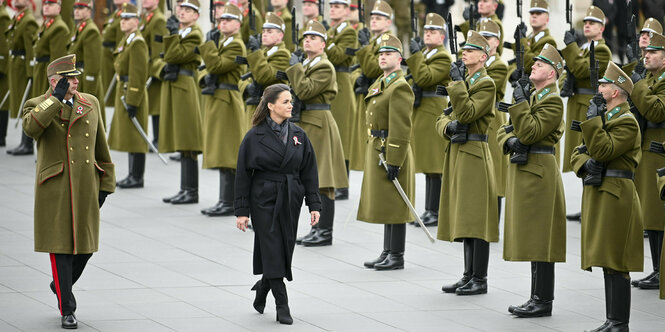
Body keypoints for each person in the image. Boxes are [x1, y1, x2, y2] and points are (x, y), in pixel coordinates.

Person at [21, 54, 116, 329]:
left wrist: (107, 183)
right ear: (54, 81)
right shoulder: (37, 104)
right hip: (57, 186)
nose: (75, 82)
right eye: (69, 78)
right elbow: (31, 129)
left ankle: (60, 285)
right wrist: (55, 100)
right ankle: (67, 308)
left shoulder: (91, 102)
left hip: (86, 184)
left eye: (75, 77)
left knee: (86, 248)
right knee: (61, 248)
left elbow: (102, 145)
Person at [235, 83, 321, 325]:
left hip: (290, 198)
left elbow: (309, 173)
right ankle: (282, 305)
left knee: (283, 248)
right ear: (270, 105)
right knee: (272, 249)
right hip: (263, 199)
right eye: (285, 101)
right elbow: (242, 174)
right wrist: (242, 211)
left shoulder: (299, 135)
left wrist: (314, 205)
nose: (290, 105)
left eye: (291, 101)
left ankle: (263, 287)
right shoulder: (254, 136)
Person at [570, 61, 643, 332]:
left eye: (603, 85)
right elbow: (578, 152)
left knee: (616, 260)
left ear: (616, 92)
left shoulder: (627, 122)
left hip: (615, 195)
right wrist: (585, 164)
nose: (598, 88)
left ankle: (619, 323)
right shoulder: (607, 118)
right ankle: (611, 320)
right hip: (599, 191)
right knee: (605, 259)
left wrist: (592, 123)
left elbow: (601, 150)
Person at [497, 43, 566, 318]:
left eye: (540, 64)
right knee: (535, 238)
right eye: (534, 62)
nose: (533, 66)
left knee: (542, 239)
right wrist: (510, 139)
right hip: (527, 169)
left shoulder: (552, 100)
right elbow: (506, 130)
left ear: (551, 74)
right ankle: (535, 296)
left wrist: (521, 104)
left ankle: (543, 300)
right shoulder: (536, 97)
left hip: (540, 171)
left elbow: (529, 131)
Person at [437, 30, 498, 296]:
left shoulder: (485, 83)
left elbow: (468, 112)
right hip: (459, 150)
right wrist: (449, 127)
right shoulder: (467, 80)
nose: (464, 52)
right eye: (464, 49)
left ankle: (480, 278)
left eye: (471, 50)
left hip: (474, 151)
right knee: (464, 215)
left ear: (483, 57)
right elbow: (444, 116)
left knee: (476, 218)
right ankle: (467, 274)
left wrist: (459, 85)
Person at [285, 20, 347, 247]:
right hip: (306, 123)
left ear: (323, 44)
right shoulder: (307, 64)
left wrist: (294, 69)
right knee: (311, 180)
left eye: (313, 38)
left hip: (319, 124)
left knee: (323, 180)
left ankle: (325, 231)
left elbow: (305, 90)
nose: (307, 40)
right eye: (306, 38)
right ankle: (316, 229)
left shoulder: (324, 66)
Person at [359, 33, 415, 270]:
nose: (383, 57)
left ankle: (397, 255)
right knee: (388, 201)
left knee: (396, 202)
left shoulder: (400, 87)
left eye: (388, 54)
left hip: (391, 149)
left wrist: (394, 158)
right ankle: (387, 251)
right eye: (380, 54)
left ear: (399, 58)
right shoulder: (381, 83)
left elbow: (401, 127)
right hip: (378, 148)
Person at [562, 5, 612, 221]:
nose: (587, 25)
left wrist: (571, 46)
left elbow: (582, 70)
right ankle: (587, 207)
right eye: (586, 22)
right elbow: (569, 73)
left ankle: (592, 209)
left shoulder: (602, 49)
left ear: (602, 28)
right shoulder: (584, 49)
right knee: (581, 157)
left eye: (593, 22)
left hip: (589, 106)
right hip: (578, 104)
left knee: (590, 155)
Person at [198, 3, 247, 216]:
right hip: (217, 99)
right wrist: (205, 76)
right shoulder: (223, 42)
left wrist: (208, 45)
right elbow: (204, 69)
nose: (222, 23)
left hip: (227, 100)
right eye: (221, 20)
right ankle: (223, 199)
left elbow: (216, 66)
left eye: (227, 20)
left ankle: (229, 202)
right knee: (220, 152)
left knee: (227, 153)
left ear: (238, 24)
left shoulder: (235, 45)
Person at [404, 12, 451, 227]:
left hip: (433, 110)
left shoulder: (442, 57)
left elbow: (424, 78)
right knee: (427, 166)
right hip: (421, 112)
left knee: (434, 166)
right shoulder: (426, 54)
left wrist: (415, 56)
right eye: (426, 31)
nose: (428, 34)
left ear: (442, 36)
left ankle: (436, 210)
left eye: (433, 31)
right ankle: (429, 209)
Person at [629, 31, 665, 291]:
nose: (646, 55)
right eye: (645, 52)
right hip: (648, 149)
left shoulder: (660, 81)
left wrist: (637, 84)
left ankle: (661, 270)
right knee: (651, 216)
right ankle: (656, 269)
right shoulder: (651, 79)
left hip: (658, 150)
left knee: (658, 214)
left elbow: (655, 110)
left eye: (652, 52)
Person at [159, 0, 204, 205]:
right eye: (181, 9)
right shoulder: (181, 33)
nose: (183, 13)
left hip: (185, 87)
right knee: (181, 141)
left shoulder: (194, 34)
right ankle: (185, 188)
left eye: (188, 10)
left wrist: (172, 35)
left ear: (196, 16)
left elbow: (173, 55)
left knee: (188, 141)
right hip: (175, 86)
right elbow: (166, 58)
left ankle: (191, 191)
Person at [108, 3, 150, 189]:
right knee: (130, 134)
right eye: (122, 18)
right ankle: (132, 173)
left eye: (127, 19)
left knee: (136, 135)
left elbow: (138, 75)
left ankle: (137, 176)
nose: (123, 22)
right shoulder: (128, 39)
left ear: (136, 21)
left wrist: (133, 100)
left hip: (133, 92)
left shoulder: (137, 42)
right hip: (123, 90)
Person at [347, 0, 392, 175]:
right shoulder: (373, 40)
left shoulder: (386, 41)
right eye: (372, 17)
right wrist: (357, 77)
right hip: (366, 94)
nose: (374, 20)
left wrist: (365, 48)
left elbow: (374, 68)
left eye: (379, 18)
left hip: (377, 96)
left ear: (388, 22)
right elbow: (356, 66)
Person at [326, 0, 357, 200]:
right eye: (332, 6)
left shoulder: (349, 32)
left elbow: (337, 57)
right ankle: (333, 180)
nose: (333, 9)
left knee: (342, 133)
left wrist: (325, 41)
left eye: (338, 6)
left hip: (342, 84)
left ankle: (342, 184)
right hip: (329, 81)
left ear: (346, 10)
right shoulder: (331, 31)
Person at [478, 19, 509, 223]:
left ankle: (493, 220)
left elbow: (485, 89)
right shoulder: (476, 63)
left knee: (495, 166)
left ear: (496, 42)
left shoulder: (498, 65)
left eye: (488, 38)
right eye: (481, 38)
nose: (484, 42)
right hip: (477, 117)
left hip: (494, 119)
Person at [241, 12, 290, 128]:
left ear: (280, 35)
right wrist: (247, 87)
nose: (264, 34)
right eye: (263, 31)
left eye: (269, 31)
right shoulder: (262, 53)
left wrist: (256, 51)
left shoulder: (283, 54)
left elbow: (264, 76)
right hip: (254, 106)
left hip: (270, 111)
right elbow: (243, 77)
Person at [5, 0, 38, 155]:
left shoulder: (29, 20)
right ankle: (23, 142)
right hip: (16, 66)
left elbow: (30, 49)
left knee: (27, 104)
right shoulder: (18, 18)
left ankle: (27, 143)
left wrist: (31, 73)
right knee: (21, 103)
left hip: (24, 68)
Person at [68, 0, 105, 125]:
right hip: (78, 77)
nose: (76, 10)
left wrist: (89, 91)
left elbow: (93, 64)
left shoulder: (90, 30)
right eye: (75, 8)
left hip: (85, 80)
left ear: (89, 11)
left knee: (89, 120)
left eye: (81, 8)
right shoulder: (79, 27)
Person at [141, 0, 168, 148]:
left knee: (157, 107)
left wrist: (155, 69)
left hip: (154, 69)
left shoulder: (158, 20)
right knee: (153, 106)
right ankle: (157, 139)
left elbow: (158, 49)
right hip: (148, 66)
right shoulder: (148, 17)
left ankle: (159, 140)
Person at [102, 0, 131, 111]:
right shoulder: (115, 14)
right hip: (106, 62)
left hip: (113, 62)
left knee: (112, 99)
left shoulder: (126, 13)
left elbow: (121, 42)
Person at [0, 0, 10, 147]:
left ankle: (1, 136)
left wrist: (1, 65)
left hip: (1, 64)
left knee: (2, 101)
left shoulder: (2, 16)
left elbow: (3, 43)